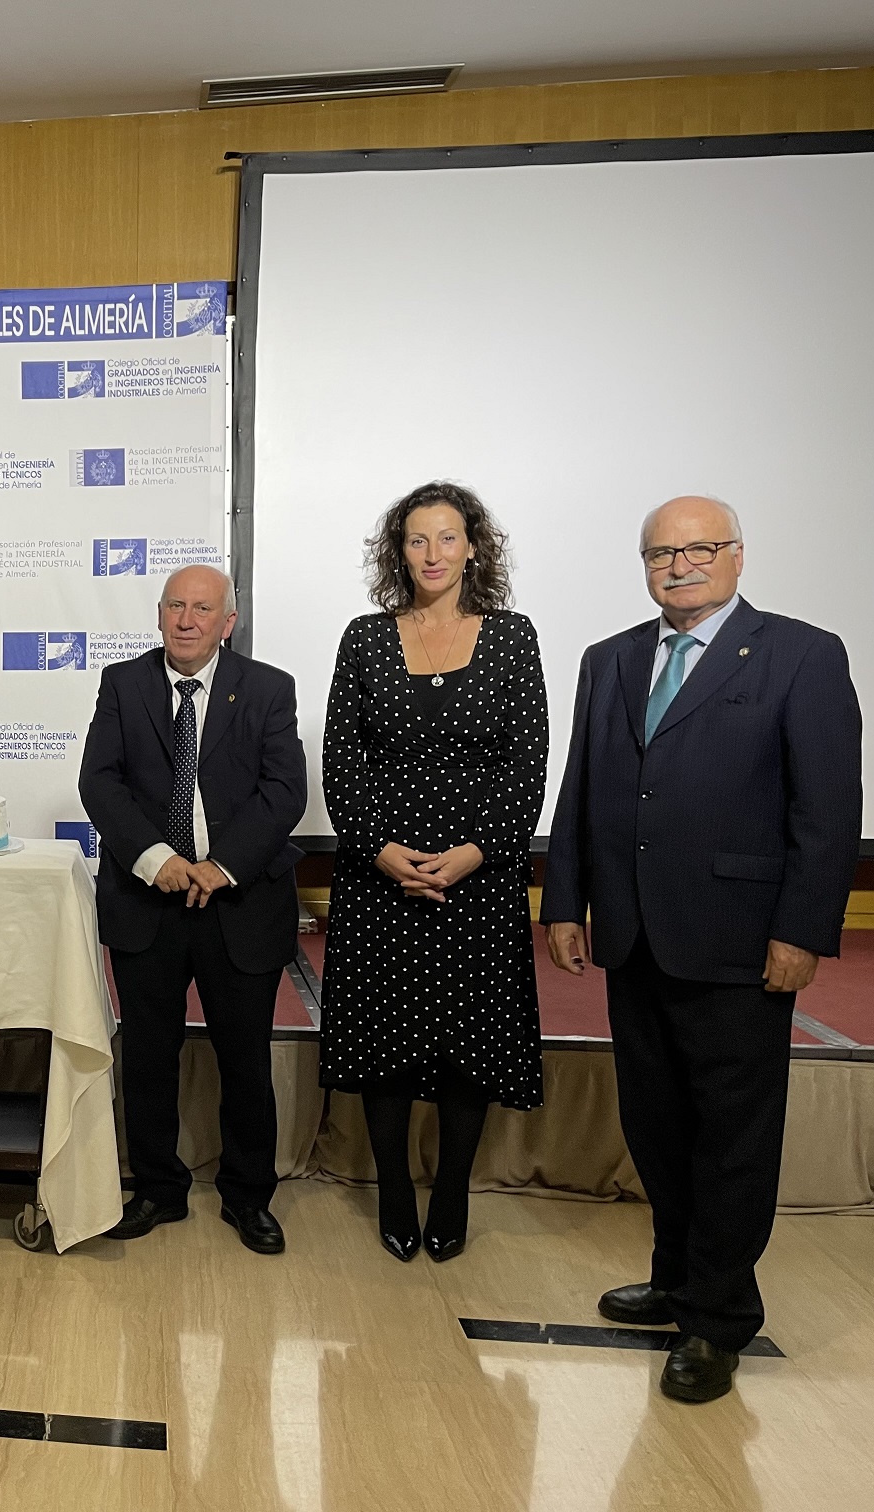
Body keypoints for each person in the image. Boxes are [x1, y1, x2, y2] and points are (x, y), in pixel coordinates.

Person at [541, 495, 859, 1403]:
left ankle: (718, 1320)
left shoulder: (802, 653)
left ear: (738, 556)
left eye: (700, 549)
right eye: (660, 554)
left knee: (731, 1138)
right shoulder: (610, 658)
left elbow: (827, 809)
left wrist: (801, 930)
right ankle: (675, 1278)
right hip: (633, 934)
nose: (679, 566)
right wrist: (565, 901)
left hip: (741, 942)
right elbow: (582, 788)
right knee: (657, 1125)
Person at [320, 482, 547, 1265]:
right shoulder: (365, 638)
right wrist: (378, 850)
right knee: (382, 1047)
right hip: (378, 879)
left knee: (468, 1050)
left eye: (448, 538)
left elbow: (526, 762)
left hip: (477, 881)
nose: (432, 554)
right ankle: (392, 1189)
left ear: (474, 547)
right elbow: (342, 758)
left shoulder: (512, 637)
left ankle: (452, 1192)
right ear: (399, 551)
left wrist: (477, 852)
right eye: (417, 540)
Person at [78, 563, 307, 1254]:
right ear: (159, 614)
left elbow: (284, 792)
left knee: (245, 1061)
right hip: (148, 902)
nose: (186, 620)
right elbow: (100, 782)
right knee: (149, 1058)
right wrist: (157, 859)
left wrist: (220, 866)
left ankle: (248, 1196)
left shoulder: (269, 689)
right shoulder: (123, 684)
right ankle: (157, 1188)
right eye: (175, 606)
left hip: (241, 904)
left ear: (227, 622)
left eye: (202, 609)